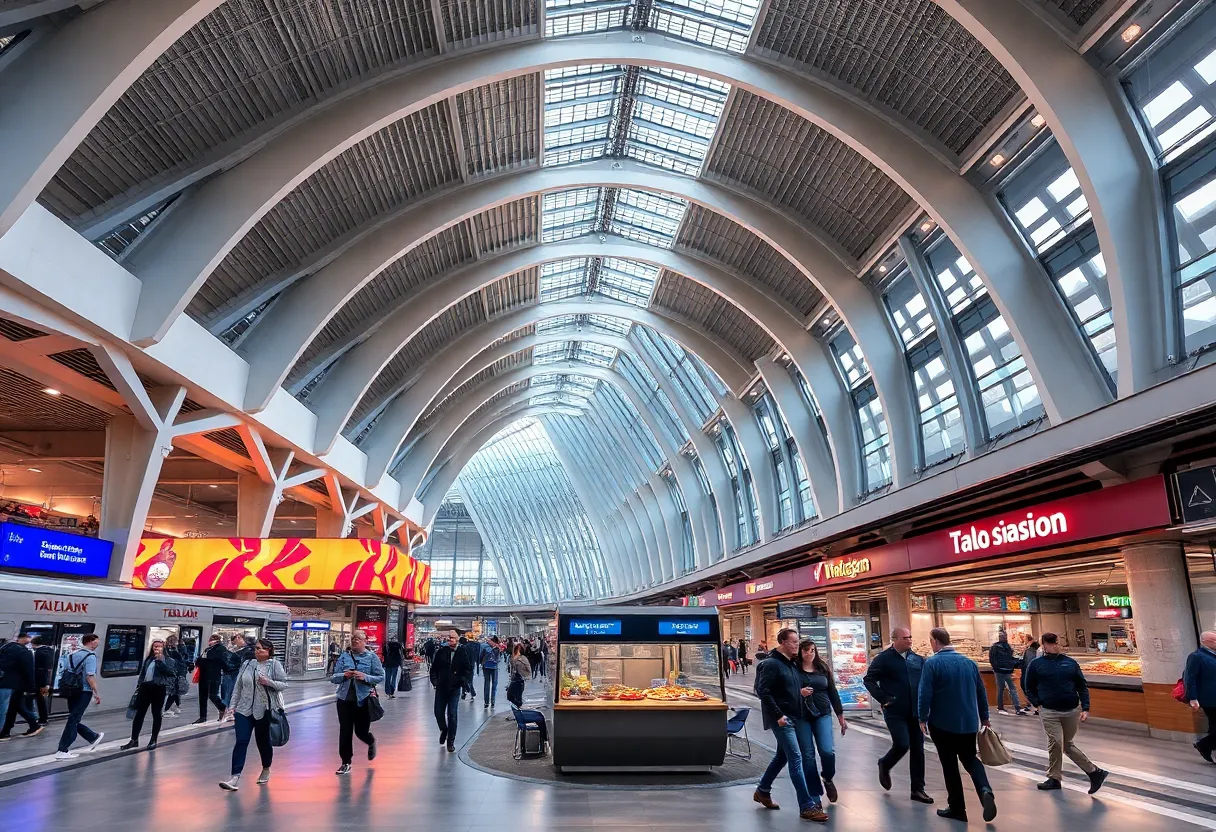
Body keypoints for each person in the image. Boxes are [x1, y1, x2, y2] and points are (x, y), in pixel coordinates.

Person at [917, 627, 997, 823]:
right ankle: (985, 789)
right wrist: (985, 717)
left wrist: (922, 717)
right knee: (970, 758)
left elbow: (924, 693)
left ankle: (957, 808)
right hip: (968, 722)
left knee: (949, 764)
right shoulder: (969, 663)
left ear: (935, 641)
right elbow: (981, 692)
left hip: (942, 723)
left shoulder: (932, 663)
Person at [753, 627, 827, 822]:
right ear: (783, 642)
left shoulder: (792, 664)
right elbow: (763, 691)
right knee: (796, 757)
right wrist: (778, 714)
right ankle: (807, 806)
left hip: (795, 716)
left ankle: (763, 790)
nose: (797, 645)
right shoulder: (771, 664)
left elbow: (788, 688)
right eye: (794, 642)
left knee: (782, 756)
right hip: (782, 718)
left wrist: (800, 694)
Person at [1023, 632, 1108, 793]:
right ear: (1044, 646)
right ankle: (1055, 777)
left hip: (1071, 710)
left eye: (1057, 642)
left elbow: (1081, 686)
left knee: (1066, 745)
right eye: (1052, 643)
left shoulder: (1070, 663)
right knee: (1055, 741)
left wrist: (1086, 707)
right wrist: (1037, 704)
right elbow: (1028, 686)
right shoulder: (1036, 665)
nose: (1056, 645)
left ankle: (1094, 773)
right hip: (1048, 710)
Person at [864, 627, 933, 805]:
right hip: (895, 710)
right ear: (895, 639)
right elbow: (869, 679)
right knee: (902, 743)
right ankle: (885, 764)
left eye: (910, 636)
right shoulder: (883, 659)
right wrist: (884, 698)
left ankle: (918, 789)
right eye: (905, 637)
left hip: (916, 712)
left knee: (918, 749)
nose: (909, 640)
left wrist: (926, 708)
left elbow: (926, 683)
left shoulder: (917, 660)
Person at [219, 638, 289, 791]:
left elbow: (284, 684)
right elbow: (238, 686)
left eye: (261, 649)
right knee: (241, 741)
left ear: (269, 651)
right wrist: (232, 707)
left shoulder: (274, 665)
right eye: (256, 648)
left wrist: (268, 682)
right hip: (244, 710)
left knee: (262, 742)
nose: (257, 651)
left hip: (263, 710)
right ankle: (234, 777)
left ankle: (266, 768)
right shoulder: (247, 664)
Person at [795, 639, 848, 806]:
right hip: (802, 716)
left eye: (812, 650)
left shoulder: (822, 668)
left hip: (823, 714)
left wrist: (840, 716)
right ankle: (815, 796)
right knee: (808, 756)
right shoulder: (794, 669)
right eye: (805, 650)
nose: (809, 653)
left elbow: (832, 691)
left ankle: (828, 777)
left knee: (827, 751)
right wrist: (799, 693)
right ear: (800, 652)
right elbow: (786, 690)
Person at [331, 630, 384, 775]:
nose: (355, 640)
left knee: (361, 731)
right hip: (344, 699)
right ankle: (345, 762)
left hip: (364, 700)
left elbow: (380, 676)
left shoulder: (372, 657)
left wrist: (365, 677)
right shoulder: (344, 656)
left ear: (365, 641)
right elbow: (334, 677)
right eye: (353, 638)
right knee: (345, 731)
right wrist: (345, 675)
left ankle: (370, 741)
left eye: (359, 638)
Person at [54, 634, 105, 760]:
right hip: (83, 691)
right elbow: (89, 676)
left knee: (74, 717)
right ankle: (62, 749)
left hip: (71, 690)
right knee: (74, 718)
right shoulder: (90, 656)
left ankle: (92, 737)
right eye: (96, 641)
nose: (97, 644)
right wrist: (96, 692)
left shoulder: (72, 654)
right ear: (91, 642)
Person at [120, 639, 177, 751]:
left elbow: (171, 673)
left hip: (158, 688)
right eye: (155, 646)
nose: (156, 648)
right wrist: (139, 686)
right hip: (145, 688)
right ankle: (134, 739)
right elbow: (143, 673)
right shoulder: (149, 659)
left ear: (163, 648)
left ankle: (153, 739)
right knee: (139, 714)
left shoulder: (169, 660)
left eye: (159, 646)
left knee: (156, 714)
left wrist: (160, 662)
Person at [431, 629, 472, 752]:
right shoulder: (441, 651)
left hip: (454, 688)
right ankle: (444, 729)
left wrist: (461, 681)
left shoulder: (462, 652)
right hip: (441, 687)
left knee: (452, 714)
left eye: (452, 638)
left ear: (457, 639)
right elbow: (434, 668)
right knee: (438, 712)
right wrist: (435, 681)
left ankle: (451, 740)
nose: (450, 640)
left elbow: (467, 669)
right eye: (448, 638)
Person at [0, 632, 42, 741]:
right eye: (28, 637)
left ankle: (5, 732)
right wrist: (31, 686)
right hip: (15, 684)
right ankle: (33, 725)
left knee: (9, 707)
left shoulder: (5, 648)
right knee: (13, 707)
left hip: (6, 683)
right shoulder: (24, 652)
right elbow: (28, 671)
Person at [1185, 630, 1216, 763]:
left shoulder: (1213, 655)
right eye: (1214, 640)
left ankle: (1208, 748)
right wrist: (1192, 698)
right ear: (1205, 642)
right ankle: (1204, 745)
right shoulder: (1197, 656)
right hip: (1209, 698)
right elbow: (1190, 678)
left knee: (1214, 726)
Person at [988, 631, 1028, 715]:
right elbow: (1010, 658)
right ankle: (1017, 708)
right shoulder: (1008, 646)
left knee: (1000, 689)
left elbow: (992, 659)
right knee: (1012, 688)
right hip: (1007, 670)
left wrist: (996, 668)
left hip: (999, 671)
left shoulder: (994, 647)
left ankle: (1001, 707)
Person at [195, 634, 230, 723]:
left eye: (212, 639)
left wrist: (204, 661)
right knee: (202, 696)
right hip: (204, 674)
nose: (210, 641)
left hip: (214, 675)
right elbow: (199, 660)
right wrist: (203, 661)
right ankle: (202, 716)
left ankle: (223, 708)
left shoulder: (221, 649)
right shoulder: (208, 649)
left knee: (212, 695)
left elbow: (216, 661)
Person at [162, 633, 190, 718]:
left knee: (175, 692)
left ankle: (176, 706)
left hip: (173, 674)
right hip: (176, 674)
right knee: (174, 692)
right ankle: (166, 709)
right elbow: (183, 660)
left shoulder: (166, 650)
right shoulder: (174, 652)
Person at [31, 635, 55, 725]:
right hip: (46, 680)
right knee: (42, 699)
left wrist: (44, 683)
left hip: (40, 680)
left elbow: (40, 668)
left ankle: (43, 718)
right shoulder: (50, 651)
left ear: (34, 644)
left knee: (40, 699)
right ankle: (43, 717)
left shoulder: (39, 652)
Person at [1020, 640, 1041, 713]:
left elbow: (1024, 662)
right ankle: (1036, 707)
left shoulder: (1027, 651)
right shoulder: (1037, 652)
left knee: (1028, 689)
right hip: (1034, 674)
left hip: (1026, 674)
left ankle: (1031, 705)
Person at [481, 636, 502, 709]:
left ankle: (486, 702)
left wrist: (482, 663)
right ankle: (493, 702)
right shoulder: (497, 648)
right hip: (494, 667)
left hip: (486, 667)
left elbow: (481, 656)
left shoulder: (485, 646)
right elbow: (499, 658)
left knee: (487, 684)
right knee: (494, 684)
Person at [506, 642, 529, 709]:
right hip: (515, 679)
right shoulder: (514, 657)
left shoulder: (523, 658)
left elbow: (528, 669)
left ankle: (518, 710)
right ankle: (517, 709)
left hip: (520, 680)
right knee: (511, 696)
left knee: (516, 697)